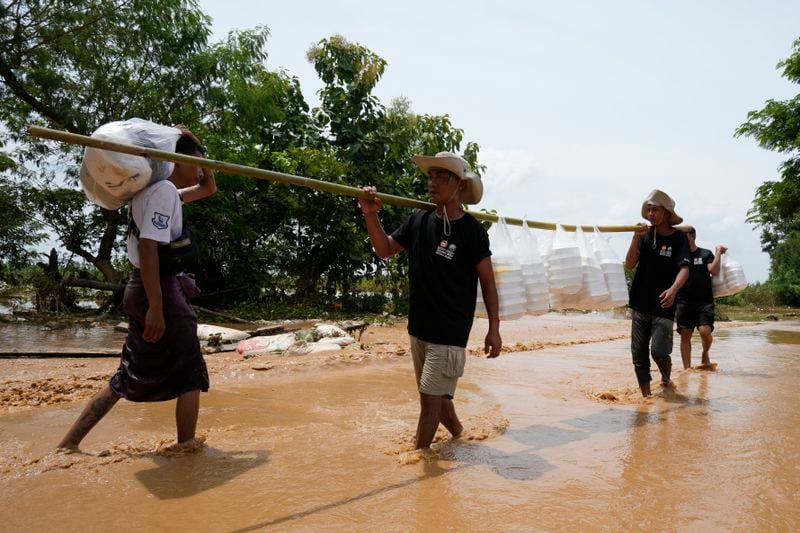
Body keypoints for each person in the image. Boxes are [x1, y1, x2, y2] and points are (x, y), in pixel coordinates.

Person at [57, 126, 217, 451]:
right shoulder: (162, 193)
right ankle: (187, 448)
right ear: (176, 161)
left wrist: (198, 149)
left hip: (142, 288)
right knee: (189, 369)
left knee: (127, 372)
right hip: (157, 290)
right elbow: (148, 248)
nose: (200, 168)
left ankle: (69, 443)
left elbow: (207, 187)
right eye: (196, 162)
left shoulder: (160, 192)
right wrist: (157, 306)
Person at [358, 151, 502, 450]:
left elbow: (488, 282)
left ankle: (419, 466)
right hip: (419, 329)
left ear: (460, 184)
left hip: (449, 335)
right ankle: (462, 438)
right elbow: (385, 249)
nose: (433, 182)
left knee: (429, 405)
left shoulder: (472, 232)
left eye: (442, 176)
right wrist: (370, 215)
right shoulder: (418, 220)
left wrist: (494, 329)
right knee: (438, 398)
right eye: (431, 175)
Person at [625, 189, 691, 397]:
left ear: (666, 213)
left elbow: (685, 269)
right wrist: (635, 238)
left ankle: (666, 377)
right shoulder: (645, 237)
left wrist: (673, 290)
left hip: (664, 304)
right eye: (649, 210)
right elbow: (629, 264)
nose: (651, 214)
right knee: (638, 354)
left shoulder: (679, 239)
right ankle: (646, 396)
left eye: (655, 210)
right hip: (640, 303)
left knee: (659, 352)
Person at [675, 226, 727, 369]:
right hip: (683, 300)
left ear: (692, 235)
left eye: (683, 235)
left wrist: (718, 253)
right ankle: (687, 369)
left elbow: (714, 270)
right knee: (685, 334)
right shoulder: (678, 255)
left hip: (704, 302)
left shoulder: (705, 253)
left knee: (704, 331)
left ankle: (705, 353)